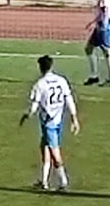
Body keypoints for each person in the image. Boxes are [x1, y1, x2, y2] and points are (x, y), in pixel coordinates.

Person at [20, 54, 80, 192]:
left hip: (48, 122)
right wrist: (74, 118)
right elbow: (69, 100)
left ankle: (63, 181)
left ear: (40, 67)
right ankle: (44, 181)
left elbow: (34, 108)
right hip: (59, 118)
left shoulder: (40, 84)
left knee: (54, 152)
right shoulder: (61, 80)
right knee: (45, 147)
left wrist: (25, 115)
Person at [83, 0, 110, 87]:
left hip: (104, 27)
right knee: (89, 48)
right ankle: (94, 76)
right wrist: (94, 22)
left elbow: (105, 12)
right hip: (100, 26)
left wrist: (101, 25)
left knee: (107, 52)